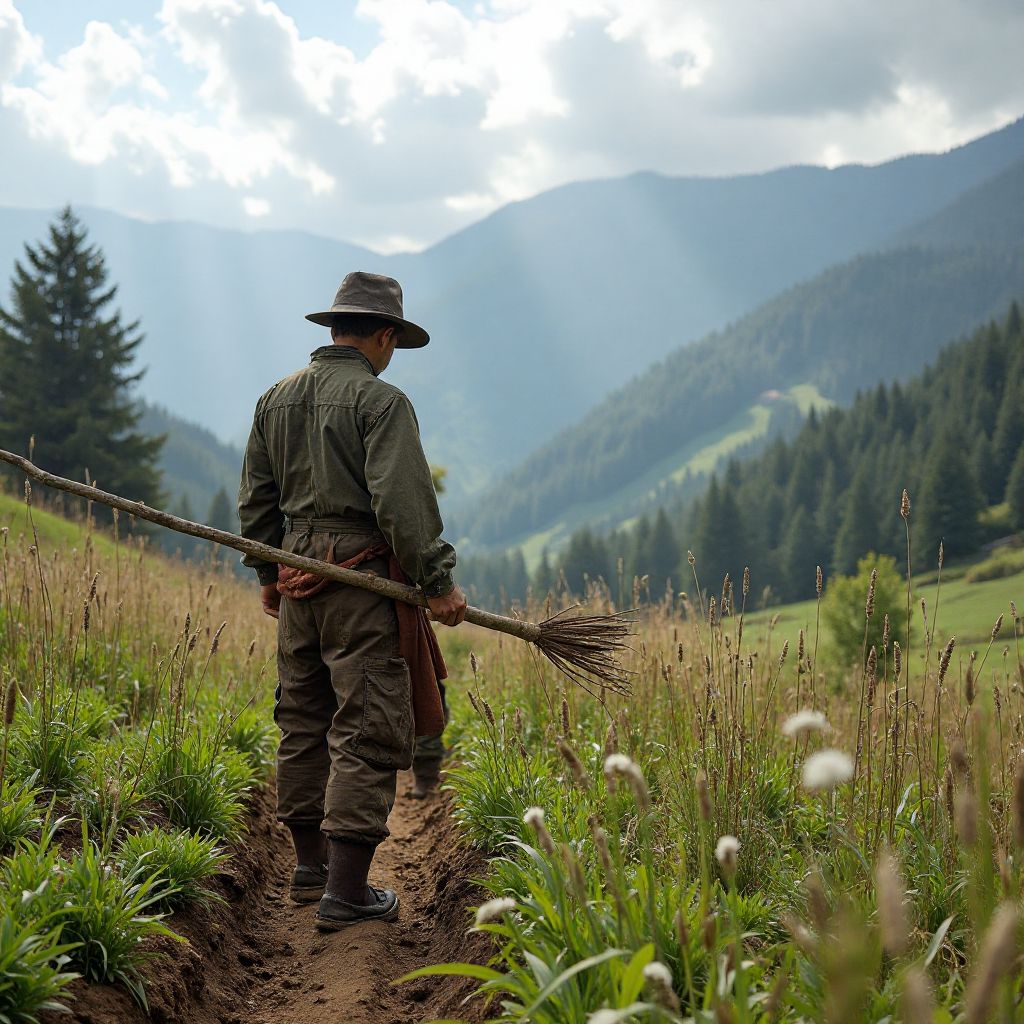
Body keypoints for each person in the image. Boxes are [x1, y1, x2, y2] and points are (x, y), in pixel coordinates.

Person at [237, 271, 467, 930]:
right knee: (364, 727)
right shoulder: (381, 401)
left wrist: (268, 575)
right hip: (361, 588)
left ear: (335, 328)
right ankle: (346, 893)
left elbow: (256, 503)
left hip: (297, 584)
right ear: (385, 336)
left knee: (302, 721)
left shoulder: (273, 400)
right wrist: (437, 582)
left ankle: (309, 869)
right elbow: (402, 504)